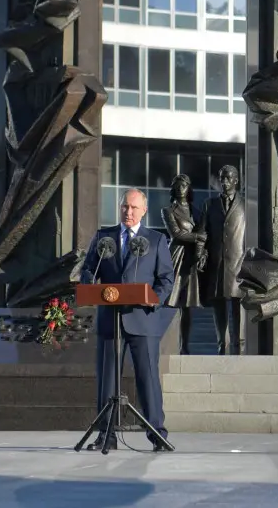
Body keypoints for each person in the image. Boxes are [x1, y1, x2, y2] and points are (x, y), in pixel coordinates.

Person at [80, 188, 175, 452]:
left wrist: (153, 298)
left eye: (134, 208)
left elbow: (166, 278)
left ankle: (158, 435)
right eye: (124, 207)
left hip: (142, 320)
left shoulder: (156, 240)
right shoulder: (104, 238)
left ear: (144, 210)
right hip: (110, 321)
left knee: (148, 380)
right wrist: (88, 279)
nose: (128, 212)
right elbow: (89, 268)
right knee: (107, 381)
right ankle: (106, 436)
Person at [197, 164, 246, 355]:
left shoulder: (246, 205)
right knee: (219, 306)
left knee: (237, 305)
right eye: (221, 178)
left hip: (239, 264)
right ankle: (222, 347)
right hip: (217, 263)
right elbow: (202, 233)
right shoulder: (210, 204)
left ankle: (239, 347)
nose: (224, 182)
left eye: (228, 178)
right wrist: (200, 253)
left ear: (236, 180)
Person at [160, 174, 205, 355]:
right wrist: (198, 237)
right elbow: (176, 234)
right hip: (177, 256)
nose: (181, 189)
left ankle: (184, 346)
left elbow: (204, 233)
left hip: (192, 259)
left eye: (184, 186)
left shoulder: (196, 210)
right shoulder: (168, 210)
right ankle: (166, 343)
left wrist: (202, 250)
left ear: (189, 188)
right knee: (171, 301)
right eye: (178, 186)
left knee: (187, 306)